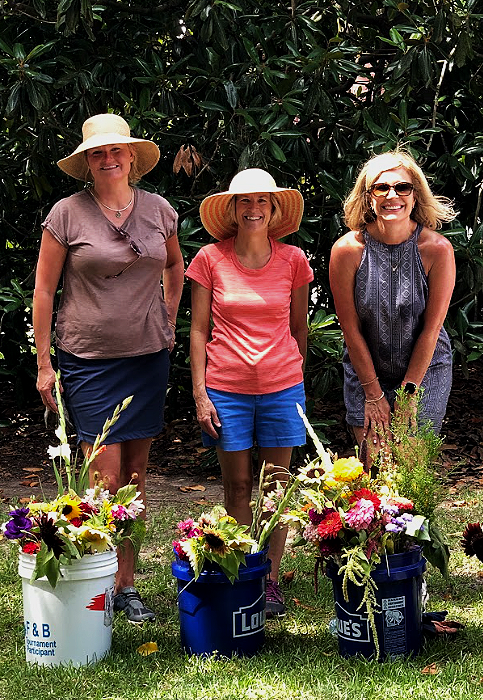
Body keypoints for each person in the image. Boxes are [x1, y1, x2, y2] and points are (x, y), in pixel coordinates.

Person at [33, 113, 184, 623]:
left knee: (136, 477)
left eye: (117, 150)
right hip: (88, 361)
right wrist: (44, 364)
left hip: (146, 359)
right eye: (98, 153)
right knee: (104, 472)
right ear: (87, 163)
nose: (109, 158)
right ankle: (94, 580)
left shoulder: (160, 210)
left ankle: (126, 583)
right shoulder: (66, 214)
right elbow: (44, 291)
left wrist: (165, 315)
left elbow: (174, 267)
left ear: (132, 158)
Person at [186, 168, 313, 616]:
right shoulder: (209, 259)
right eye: (245, 201)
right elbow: (199, 331)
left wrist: (290, 374)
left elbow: (300, 329)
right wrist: (201, 395)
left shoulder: (294, 260)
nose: (254, 208)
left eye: (262, 201)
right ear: (233, 209)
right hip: (225, 389)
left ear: (275, 208)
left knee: (278, 490)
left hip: (282, 388)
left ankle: (271, 580)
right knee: (238, 485)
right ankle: (241, 571)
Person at [329, 150, 456, 468]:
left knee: (409, 473)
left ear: (415, 195)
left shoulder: (437, 250)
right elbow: (350, 328)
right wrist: (373, 393)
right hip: (366, 368)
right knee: (375, 470)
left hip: (425, 370)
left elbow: (431, 329)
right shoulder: (347, 251)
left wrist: (409, 393)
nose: (392, 195)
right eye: (381, 187)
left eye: (402, 187)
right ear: (368, 196)